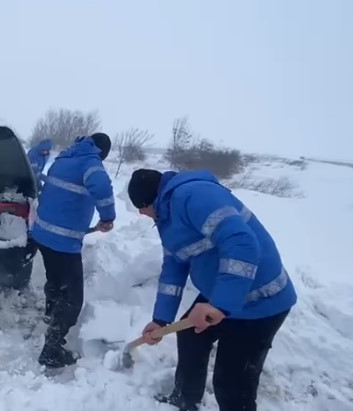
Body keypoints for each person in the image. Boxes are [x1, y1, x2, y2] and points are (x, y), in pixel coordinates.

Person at [127, 168, 297, 411]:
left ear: (148, 202)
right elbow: (174, 267)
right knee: (190, 336)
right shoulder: (167, 215)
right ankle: (185, 401)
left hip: (261, 300)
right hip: (221, 292)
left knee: (231, 385)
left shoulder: (194, 196)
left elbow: (242, 243)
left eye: (141, 210)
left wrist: (220, 304)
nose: (142, 215)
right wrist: (160, 320)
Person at [30, 132, 116, 369]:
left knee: (56, 279)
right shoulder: (91, 163)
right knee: (74, 299)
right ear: (102, 152)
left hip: (43, 234)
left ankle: (51, 313)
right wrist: (108, 217)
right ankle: (52, 349)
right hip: (63, 241)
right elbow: (102, 187)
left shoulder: (66, 157)